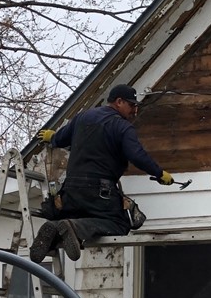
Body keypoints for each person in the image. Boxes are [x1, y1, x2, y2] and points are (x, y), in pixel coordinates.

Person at [31, 84, 174, 263]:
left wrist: (51, 137)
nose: (134, 111)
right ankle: (74, 228)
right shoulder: (122, 127)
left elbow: (60, 139)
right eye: (132, 105)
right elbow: (137, 155)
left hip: (70, 191)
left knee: (74, 219)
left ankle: (53, 228)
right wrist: (160, 173)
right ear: (119, 102)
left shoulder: (82, 117)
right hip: (99, 191)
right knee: (120, 224)